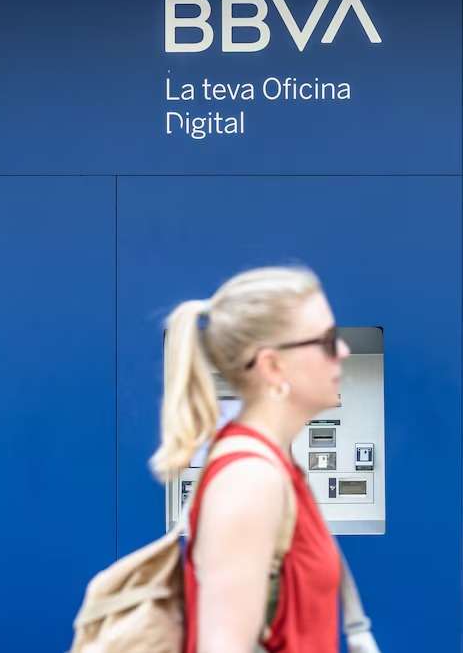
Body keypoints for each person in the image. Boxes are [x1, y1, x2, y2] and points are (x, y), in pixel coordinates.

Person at [153, 266, 350, 653]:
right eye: (327, 342)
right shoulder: (250, 478)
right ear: (272, 366)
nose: (343, 351)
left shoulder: (273, 467)